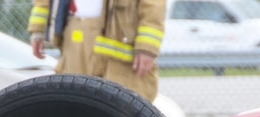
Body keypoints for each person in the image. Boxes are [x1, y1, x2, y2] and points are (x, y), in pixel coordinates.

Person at [28, 0, 165, 102]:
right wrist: (38, 29)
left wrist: (147, 48)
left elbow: (154, 6)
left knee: (120, 115)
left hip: (118, 44)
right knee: (73, 105)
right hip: (74, 32)